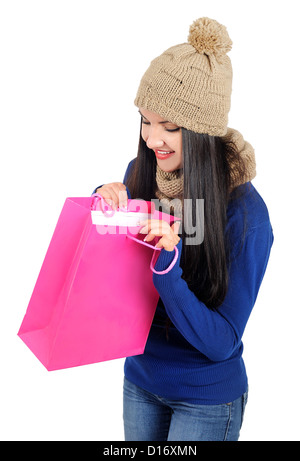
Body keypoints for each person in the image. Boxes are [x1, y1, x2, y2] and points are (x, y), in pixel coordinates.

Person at [95, 17, 274, 441]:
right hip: (140, 383)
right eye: (145, 121)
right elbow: (115, 273)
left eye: (170, 127)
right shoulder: (140, 174)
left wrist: (168, 267)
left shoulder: (246, 215)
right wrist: (107, 205)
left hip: (206, 398)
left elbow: (221, 343)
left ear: (201, 133)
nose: (153, 138)